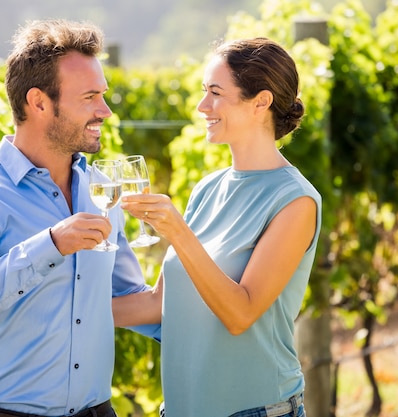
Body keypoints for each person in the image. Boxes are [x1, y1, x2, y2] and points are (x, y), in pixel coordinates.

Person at [0, 19, 159, 417]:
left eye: (103, 95)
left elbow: (123, 301)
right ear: (38, 102)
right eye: (89, 97)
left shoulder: (102, 190)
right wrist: (49, 245)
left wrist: (210, 316)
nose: (104, 111)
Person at [115, 37, 322, 417]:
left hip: (256, 410)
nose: (201, 106)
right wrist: (64, 310)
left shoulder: (295, 201)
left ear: (261, 102)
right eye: (203, 92)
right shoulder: (208, 188)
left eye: (215, 92)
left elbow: (240, 313)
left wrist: (178, 232)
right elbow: (160, 304)